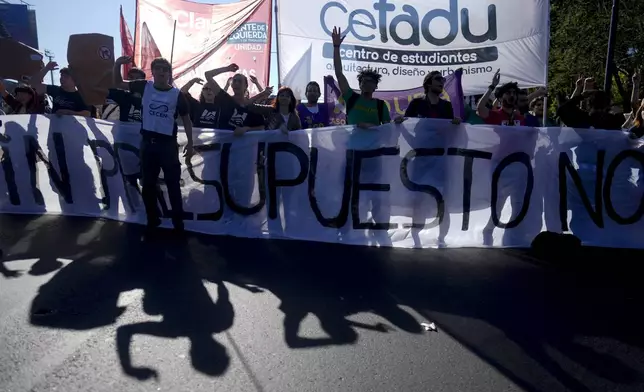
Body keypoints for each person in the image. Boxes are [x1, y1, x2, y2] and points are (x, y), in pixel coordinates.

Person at [113, 57, 194, 236]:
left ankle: (178, 223)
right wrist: (118, 64)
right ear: (153, 72)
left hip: (167, 146)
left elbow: (187, 119)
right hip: (148, 144)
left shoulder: (177, 94)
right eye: (158, 69)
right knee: (148, 185)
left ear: (169, 74)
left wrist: (191, 141)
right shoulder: (144, 86)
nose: (162, 72)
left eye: (165, 70)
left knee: (173, 184)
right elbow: (118, 83)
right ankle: (152, 220)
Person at [331, 26, 390, 128]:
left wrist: (370, 127)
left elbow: (388, 129)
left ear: (376, 86)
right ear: (359, 85)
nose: (367, 83)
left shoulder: (380, 105)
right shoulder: (351, 97)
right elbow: (339, 73)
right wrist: (336, 47)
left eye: (370, 81)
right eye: (364, 81)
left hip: (375, 144)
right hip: (351, 144)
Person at [203, 63, 266, 135]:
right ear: (231, 85)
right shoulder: (225, 99)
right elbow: (207, 74)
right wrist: (227, 69)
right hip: (221, 144)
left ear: (246, 86)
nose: (236, 83)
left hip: (242, 145)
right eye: (234, 81)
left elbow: (261, 127)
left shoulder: (252, 107)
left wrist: (247, 129)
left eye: (239, 81)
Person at [108, 57, 147, 123]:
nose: (134, 80)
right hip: (123, 131)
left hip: (142, 132)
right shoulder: (121, 95)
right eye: (131, 77)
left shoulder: (150, 95)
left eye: (137, 78)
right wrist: (117, 64)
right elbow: (117, 83)